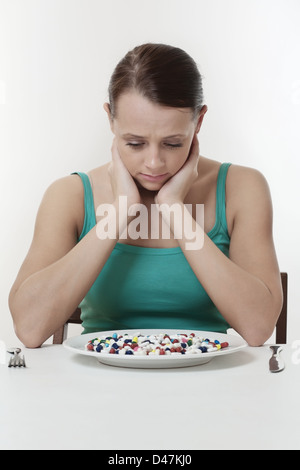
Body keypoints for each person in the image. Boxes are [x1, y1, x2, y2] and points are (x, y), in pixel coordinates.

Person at [9, 43, 283, 348]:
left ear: (199, 122)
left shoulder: (240, 188)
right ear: (110, 120)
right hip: (95, 388)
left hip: (210, 383)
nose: (154, 163)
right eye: (135, 143)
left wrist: (174, 208)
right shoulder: (70, 195)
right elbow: (29, 329)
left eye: (173, 143)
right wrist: (121, 210)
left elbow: (258, 328)